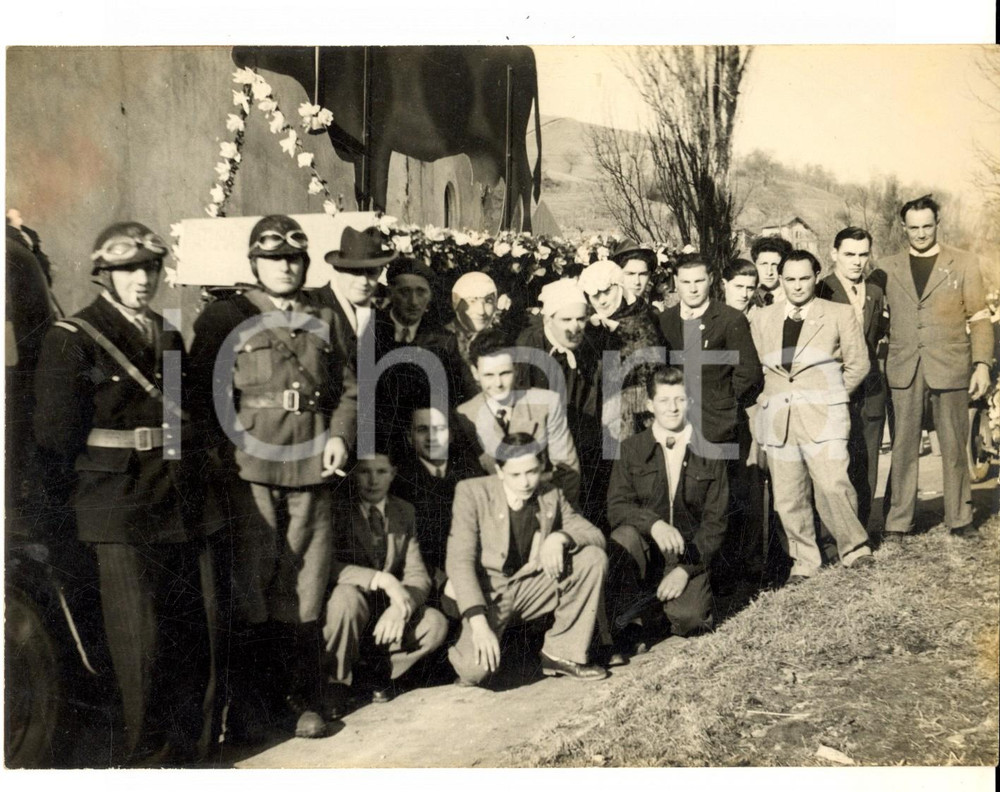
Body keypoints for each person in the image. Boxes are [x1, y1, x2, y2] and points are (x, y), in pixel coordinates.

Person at [34, 221, 211, 765]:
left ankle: (184, 751)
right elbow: (53, 439)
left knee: (186, 631)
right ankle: (141, 756)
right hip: (116, 506)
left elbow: (183, 423)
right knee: (138, 642)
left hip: (172, 500)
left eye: (151, 268)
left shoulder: (169, 333)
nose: (143, 279)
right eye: (129, 269)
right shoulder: (73, 337)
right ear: (104, 275)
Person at [188, 214, 357, 740]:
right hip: (251, 470)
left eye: (293, 258)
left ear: (304, 264)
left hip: (311, 465)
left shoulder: (325, 316)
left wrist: (339, 436)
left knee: (306, 587)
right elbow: (199, 395)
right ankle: (251, 711)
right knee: (252, 588)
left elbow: (350, 387)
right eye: (273, 258)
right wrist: (223, 453)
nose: (285, 267)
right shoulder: (226, 315)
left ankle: (303, 701)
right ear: (255, 264)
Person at [749, 250, 875, 584]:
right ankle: (804, 561)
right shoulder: (763, 318)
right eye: (789, 279)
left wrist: (831, 395)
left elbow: (858, 364)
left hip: (825, 416)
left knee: (833, 483)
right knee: (788, 496)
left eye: (804, 278)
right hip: (780, 419)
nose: (797, 286)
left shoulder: (839, 313)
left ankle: (855, 548)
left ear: (816, 277)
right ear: (780, 279)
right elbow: (761, 369)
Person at [446, 433, 609, 686]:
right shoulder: (471, 492)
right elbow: (460, 561)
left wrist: (560, 537)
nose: (525, 482)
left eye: (532, 472)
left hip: (530, 587)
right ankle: (463, 640)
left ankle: (562, 652)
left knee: (591, 558)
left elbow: (594, 535)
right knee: (472, 672)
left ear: (542, 466)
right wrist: (478, 624)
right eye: (515, 474)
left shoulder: (550, 494)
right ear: (499, 471)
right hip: (489, 596)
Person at [880, 195, 992, 541]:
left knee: (955, 443)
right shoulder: (886, 266)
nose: (921, 233)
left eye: (927, 226)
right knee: (903, 445)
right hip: (904, 368)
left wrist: (982, 364)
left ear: (937, 224)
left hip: (951, 366)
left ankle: (960, 517)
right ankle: (899, 521)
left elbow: (979, 316)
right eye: (913, 228)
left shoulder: (964, 262)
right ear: (903, 228)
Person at [658, 253, 763, 591]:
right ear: (675, 283)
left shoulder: (730, 319)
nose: (692, 289)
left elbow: (748, 372)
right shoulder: (666, 320)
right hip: (676, 424)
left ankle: (727, 578)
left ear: (711, 281)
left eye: (699, 281)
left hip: (716, 424)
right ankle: (689, 573)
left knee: (721, 500)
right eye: (685, 282)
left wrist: (719, 402)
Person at [605, 365, 729, 651]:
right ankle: (643, 608)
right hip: (646, 554)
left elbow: (716, 522)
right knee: (623, 537)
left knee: (693, 620)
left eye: (680, 399)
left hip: (688, 555)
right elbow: (617, 506)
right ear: (650, 405)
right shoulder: (631, 449)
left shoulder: (710, 452)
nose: (672, 408)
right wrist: (653, 524)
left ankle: (656, 613)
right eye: (664, 401)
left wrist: (686, 569)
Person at [323, 451, 448, 713]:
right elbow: (326, 566)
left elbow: (416, 574)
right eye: (364, 472)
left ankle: (378, 674)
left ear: (393, 475)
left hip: (384, 615)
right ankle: (337, 681)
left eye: (381, 472)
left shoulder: (404, 511)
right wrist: (380, 579)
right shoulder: (337, 510)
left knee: (434, 623)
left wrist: (401, 607)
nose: (372, 480)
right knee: (346, 597)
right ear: (353, 475)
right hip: (348, 613)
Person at [456, 328, 582, 505]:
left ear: (516, 368)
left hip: (548, 509)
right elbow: (472, 486)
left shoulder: (547, 403)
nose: (498, 384)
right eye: (489, 375)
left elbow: (568, 472)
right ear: (475, 373)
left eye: (505, 373)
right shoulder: (464, 416)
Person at [515, 278, 605, 526]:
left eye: (581, 319)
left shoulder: (586, 347)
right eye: (566, 320)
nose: (576, 327)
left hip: (574, 438)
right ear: (548, 320)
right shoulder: (529, 348)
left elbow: (589, 403)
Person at [815, 227, 888, 530]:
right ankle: (832, 531)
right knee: (833, 463)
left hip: (870, 391)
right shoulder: (821, 290)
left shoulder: (875, 292)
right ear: (834, 254)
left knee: (867, 460)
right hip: (833, 389)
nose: (857, 262)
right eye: (849, 254)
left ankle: (861, 528)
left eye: (863, 255)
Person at [390, 404, 482, 603]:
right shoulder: (399, 482)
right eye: (422, 430)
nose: (431, 438)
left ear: (451, 435)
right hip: (431, 577)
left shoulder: (471, 472)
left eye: (439, 429)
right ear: (409, 437)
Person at [578, 258, 665, 442]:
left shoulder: (641, 319)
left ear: (619, 287)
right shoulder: (586, 324)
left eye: (607, 292)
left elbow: (651, 372)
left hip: (636, 413)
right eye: (595, 295)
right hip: (596, 413)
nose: (602, 301)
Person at [443, 271, 505, 403]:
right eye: (472, 301)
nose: (481, 311)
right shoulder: (443, 341)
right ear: (457, 304)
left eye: (488, 301)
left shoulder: (500, 339)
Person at [609, 238, 658, 306]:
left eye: (643, 274)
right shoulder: (604, 312)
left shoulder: (653, 312)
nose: (637, 282)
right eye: (630, 274)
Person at [750, 236, 793, 309]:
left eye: (774, 264)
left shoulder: (792, 298)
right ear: (755, 265)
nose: (769, 272)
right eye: (764, 264)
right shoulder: (747, 298)